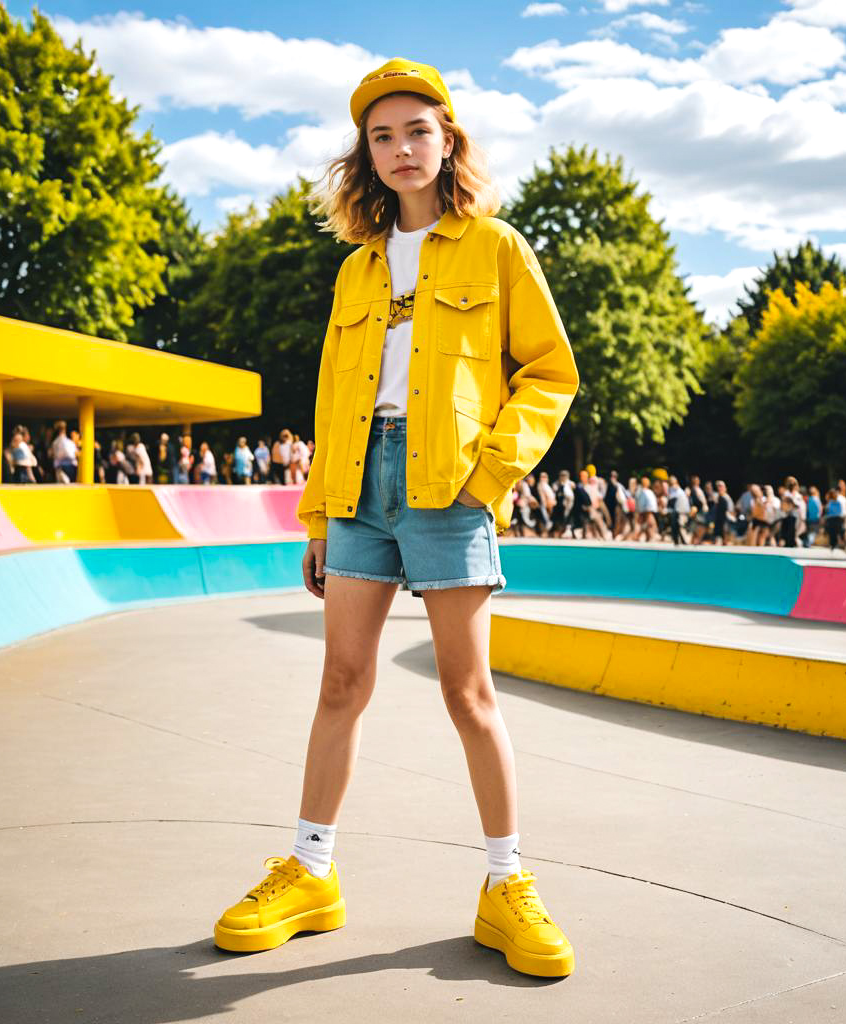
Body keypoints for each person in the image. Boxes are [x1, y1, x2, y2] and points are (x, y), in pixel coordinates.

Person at [212, 59, 579, 977]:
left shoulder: (498, 247)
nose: (402, 148)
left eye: (418, 130)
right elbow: (338, 392)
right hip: (360, 493)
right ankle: (310, 871)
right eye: (383, 136)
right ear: (365, 155)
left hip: (448, 487)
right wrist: (319, 517)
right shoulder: (355, 269)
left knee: (468, 694)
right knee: (341, 682)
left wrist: (488, 477)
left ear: (447, 140)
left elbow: (550, 372)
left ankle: (507, 884)